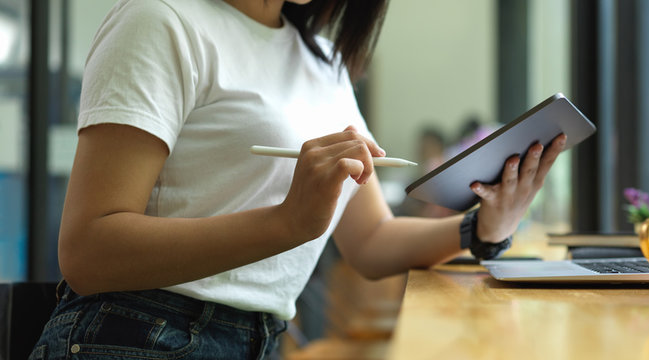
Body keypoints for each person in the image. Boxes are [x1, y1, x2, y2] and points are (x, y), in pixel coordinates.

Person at [28, 0, 568, 359]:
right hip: (137, 332)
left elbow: (371, 241)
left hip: (259, 341)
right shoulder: (162, 18)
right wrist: (287, 222)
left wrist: (482, 228)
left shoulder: (323, 62)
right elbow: (87, 251)